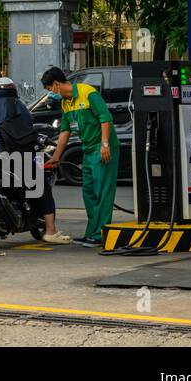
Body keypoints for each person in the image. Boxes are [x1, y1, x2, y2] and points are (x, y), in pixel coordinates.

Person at [0, 76, 70, 244]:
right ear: (12, 90)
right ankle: (51, 231)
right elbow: (27, 127)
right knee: (40, 185)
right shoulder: (16, 105)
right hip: (11, 157)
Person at [43, 66, 120, 248]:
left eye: (49, 90)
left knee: (102, 191)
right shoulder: (65, 103)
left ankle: (101, 233)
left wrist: (105, 144)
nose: (50, 94)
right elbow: (65, 131)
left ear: (56, 85)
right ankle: (92, 233)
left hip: (103, 149)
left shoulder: (88, 93)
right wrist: (56, 156)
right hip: (88, 150)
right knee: (89, 192)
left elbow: (105, 118)